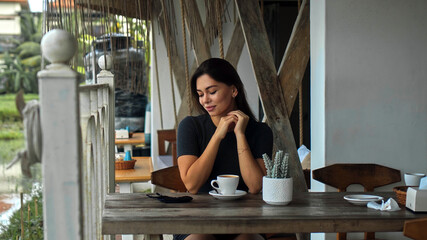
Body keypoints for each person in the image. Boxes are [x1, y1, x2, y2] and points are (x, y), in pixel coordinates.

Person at [176, 58, 273, 240]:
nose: (205, 100)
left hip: (245, 221)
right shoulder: (190, 126)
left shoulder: (260, 131)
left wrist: (240, 135)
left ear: (234, 90)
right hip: (198, 221)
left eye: (212, 92)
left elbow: (255, 186)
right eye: (200, 94)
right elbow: (192, 185)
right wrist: (217, 136)